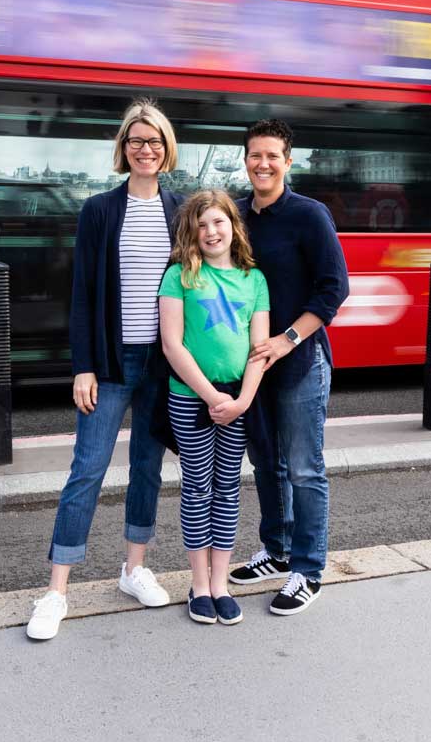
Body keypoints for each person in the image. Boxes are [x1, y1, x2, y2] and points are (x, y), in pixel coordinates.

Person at [26, 99, 184, 642]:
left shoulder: (180, 210)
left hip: (165, 364)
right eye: (137, 140)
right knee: (87, 469)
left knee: (147, 467)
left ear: (167, 151)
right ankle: (56, 591)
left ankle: (133, 568)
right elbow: (82, 296)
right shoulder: (98, 210)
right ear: (124, 148)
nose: (146, 148)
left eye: (155, 141)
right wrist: (84, 366)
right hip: (113, 362)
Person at [229, 118, 350, 615]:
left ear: (287, 161)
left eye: (272, 155)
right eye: (255, 155)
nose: (263, 163)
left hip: (299, 361)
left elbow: (333, 289)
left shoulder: (309, 214)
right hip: (252, 365)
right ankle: (277, 551)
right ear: (246, 159)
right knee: (265, 465)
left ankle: (308, 569)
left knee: (304, 468)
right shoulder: (234, 215)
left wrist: (288, 338)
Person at [158, 190, 270, 626]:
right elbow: (172, 345)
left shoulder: (253, 280)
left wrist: (241, 400)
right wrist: (211, 397)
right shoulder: (178, 277)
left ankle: (221, 583)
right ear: (192, 231)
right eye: (201, 225)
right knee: (197, 487)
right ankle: (199, 584)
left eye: (218, 222)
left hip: (237, 401)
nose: (211, 231)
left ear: (233, 227)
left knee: (227, 489)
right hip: (192, 398)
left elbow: (260, 348)